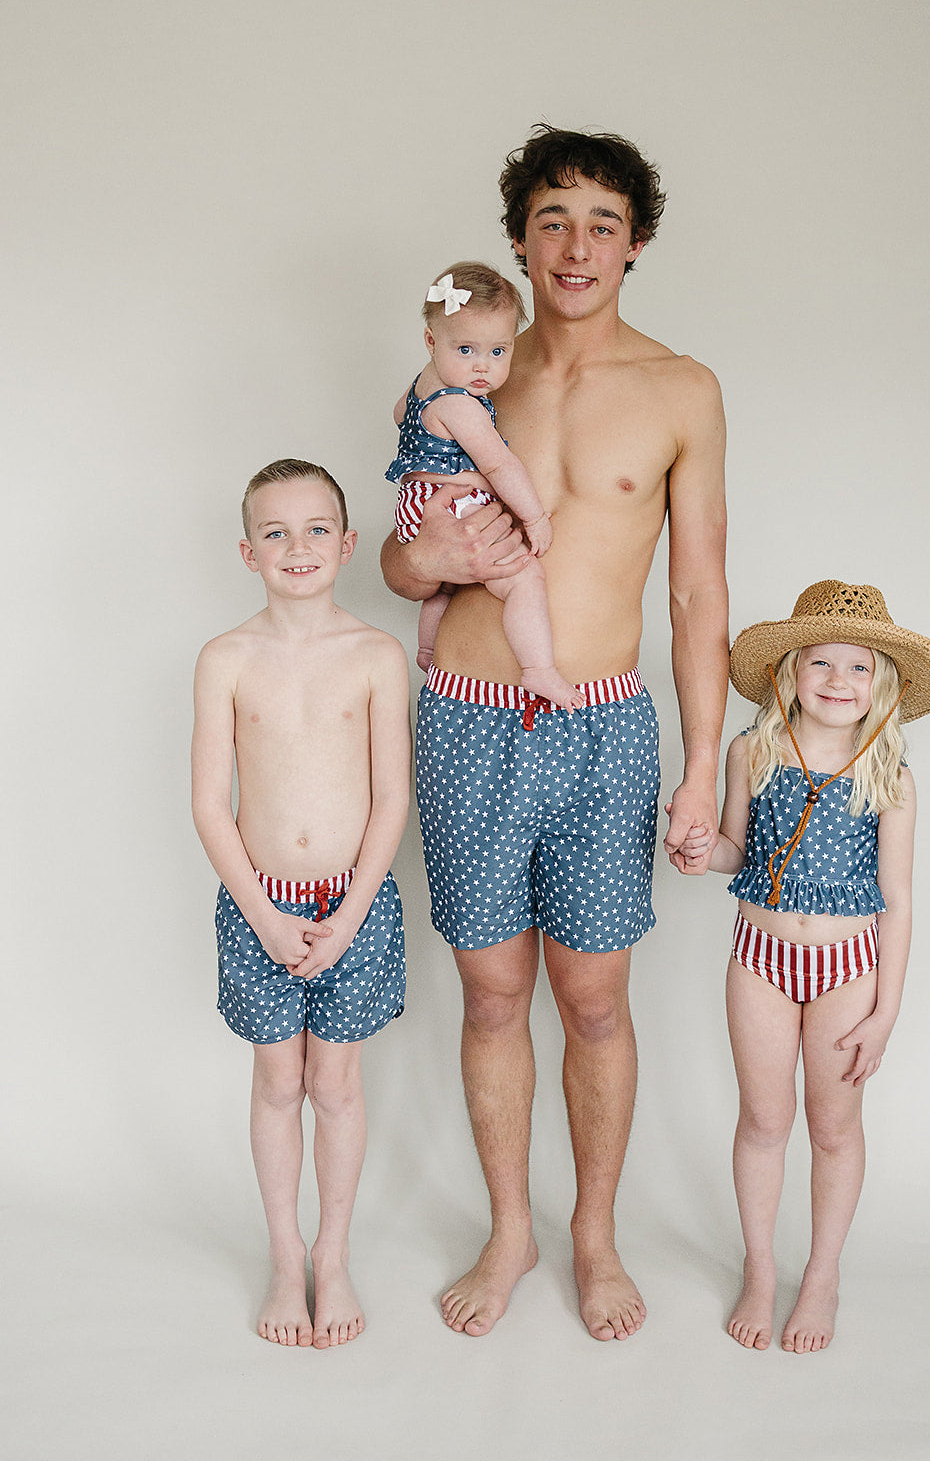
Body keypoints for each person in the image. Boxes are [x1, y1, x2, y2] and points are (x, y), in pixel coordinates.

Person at [381, 124, 729, 1340]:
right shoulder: (464, 373)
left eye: (599, 222)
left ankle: (593, 1234)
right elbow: (404, 546)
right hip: (470, 717)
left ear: (634, 243)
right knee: (488, 993)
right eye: (550, 220)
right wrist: (415, 556)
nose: (574, 244)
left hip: (602, 728)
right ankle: (509, 1229)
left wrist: (699, 766)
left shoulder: (681, 388)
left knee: (592, 997)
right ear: (517, 240)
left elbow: (695, 595)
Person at [698, 580, 930, 1353]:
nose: (837, 682)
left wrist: (885, 1013)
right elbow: (732, 853)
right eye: (821, 664)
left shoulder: (890, 780)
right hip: (758, 959)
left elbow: (899, 904)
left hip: (848, 967)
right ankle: (758, 1267)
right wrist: (694, 850)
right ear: (789, 672)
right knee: (762, 1119)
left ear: (880, 684)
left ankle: (820, 1275)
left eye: (857, 668)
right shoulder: (753, 753)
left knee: (833, 1125)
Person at [192, 459, 409, 1349]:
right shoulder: (226, 658)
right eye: (275, 532)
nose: (297, 547)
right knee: (279, 1081)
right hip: (261, 904)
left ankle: (333, 1250)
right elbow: (210, 803)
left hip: (354, 903)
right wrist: (265, 916)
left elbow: (391, 797)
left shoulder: (375, 655)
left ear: (348, 543)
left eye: (317, 528)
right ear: (248, 551)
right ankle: (285, 1256)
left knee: (336, 1083)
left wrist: (351, 912)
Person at [386, 261, 582, 709]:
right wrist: (532, 516)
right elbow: (499, 465)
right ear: (432, 341)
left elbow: (401, 415)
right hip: (452, 503)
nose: (482, 367)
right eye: (466, 350)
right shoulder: (461, 404)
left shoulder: (425, 381)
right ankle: (538, 670)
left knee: (446, 586)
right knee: (525, 578)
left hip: (417, 502)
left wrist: (435, 461)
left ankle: (429, 650)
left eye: (498, 352)